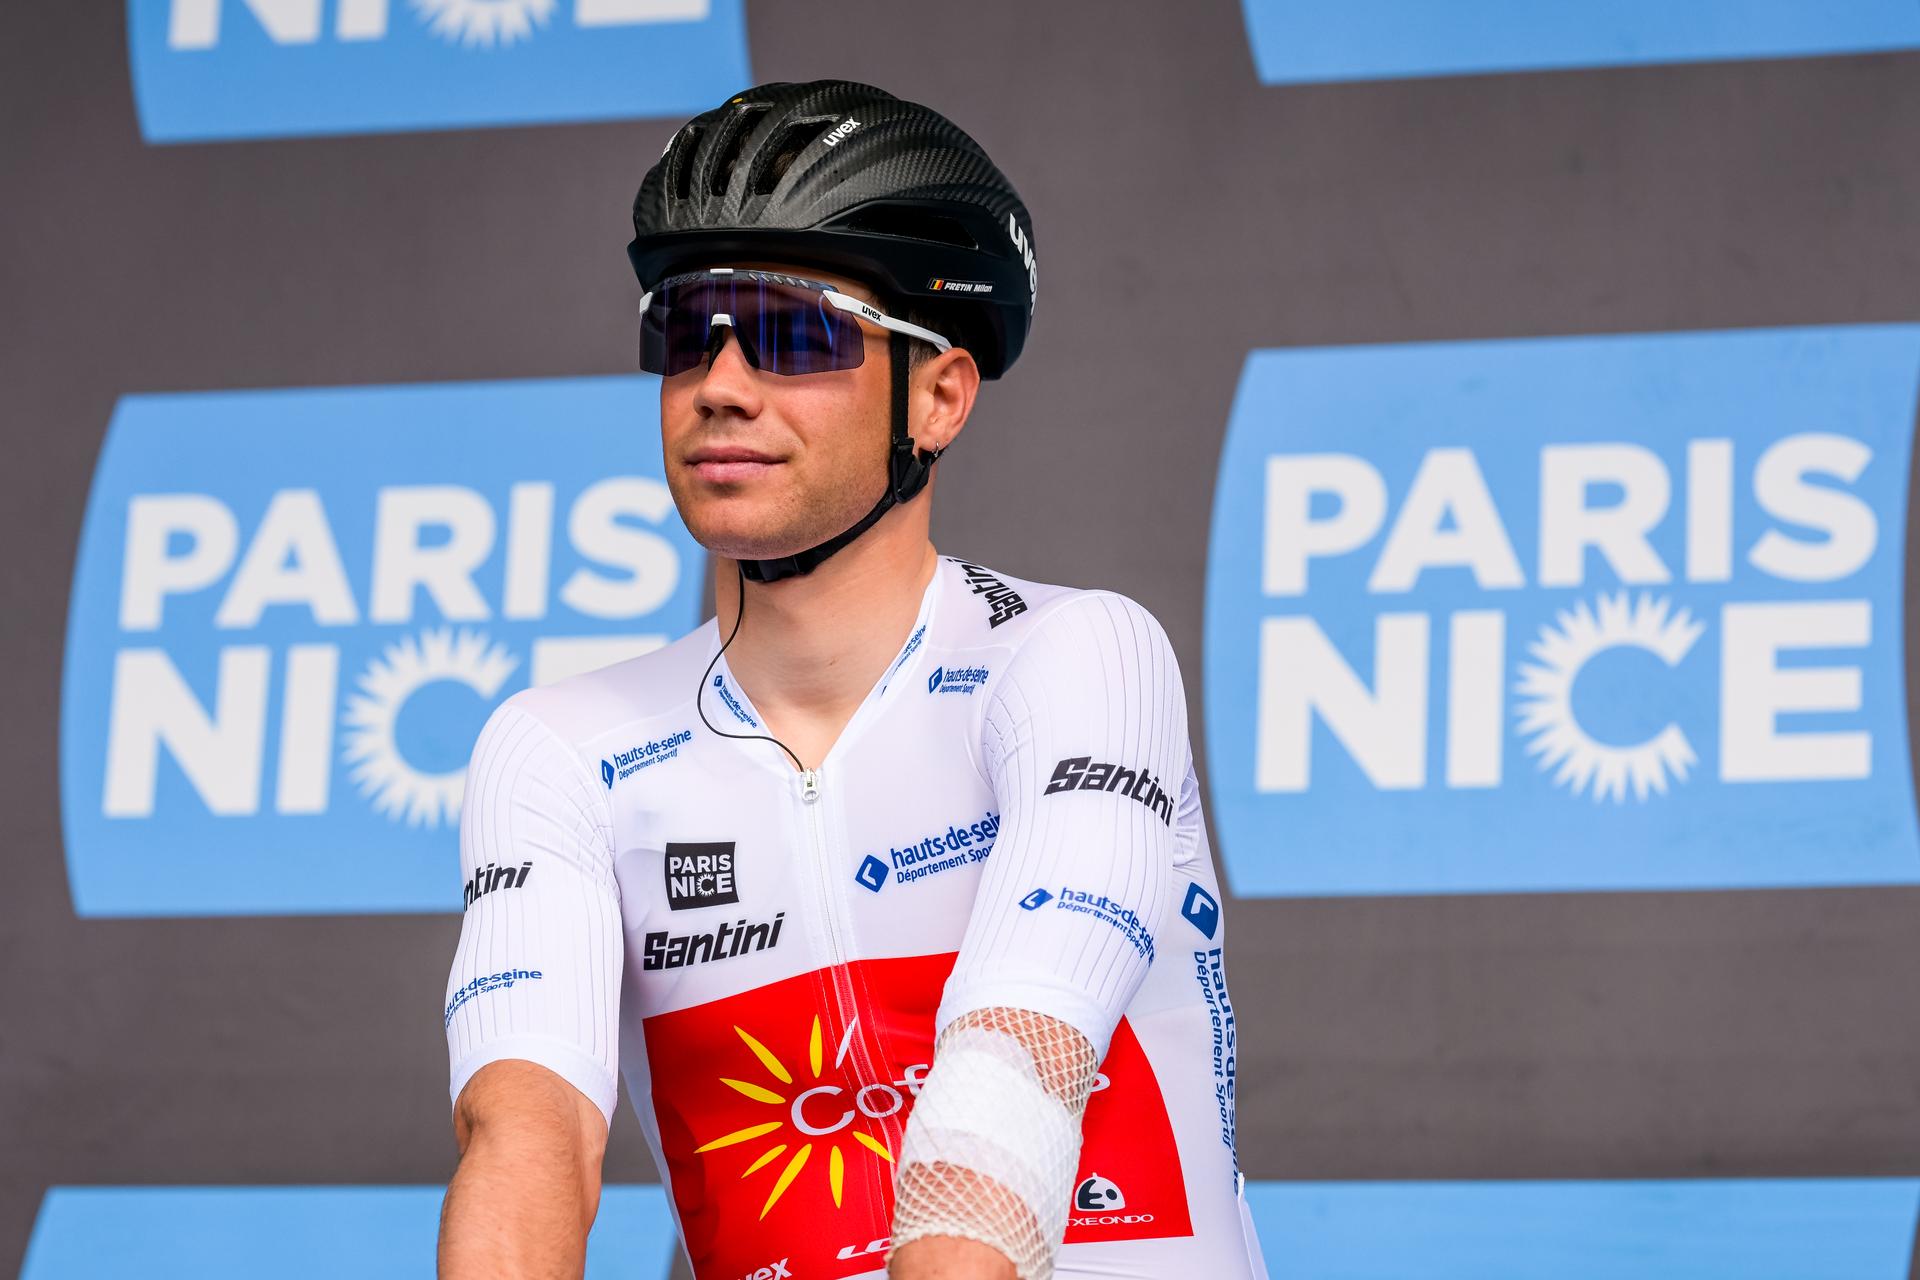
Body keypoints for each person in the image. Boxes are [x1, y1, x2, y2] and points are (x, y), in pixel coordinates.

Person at [438, 79, 1264, 1280]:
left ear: (938, 396)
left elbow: (1011, 1077)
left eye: (792, 331)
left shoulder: (1075, 654)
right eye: (685, 332)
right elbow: (527, 1140)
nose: (721, 382)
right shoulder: (560, 746)